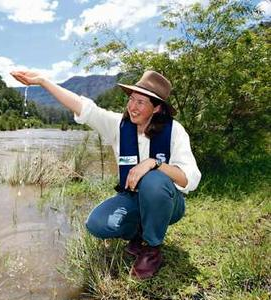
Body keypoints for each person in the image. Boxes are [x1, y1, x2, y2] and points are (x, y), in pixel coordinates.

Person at [11, 69, 201, 279]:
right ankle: (138, 234)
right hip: (131, 198)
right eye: (131, 99)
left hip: (168, 204)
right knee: (98, 223)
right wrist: (43, 81)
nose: (132, 107)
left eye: (141, 102)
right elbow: (83, 107)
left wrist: (153, 164)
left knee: (154, 180)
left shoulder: (174, 131)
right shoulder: (118, 126)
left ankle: (152, 249)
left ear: (156, 108)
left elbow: (189, 179)